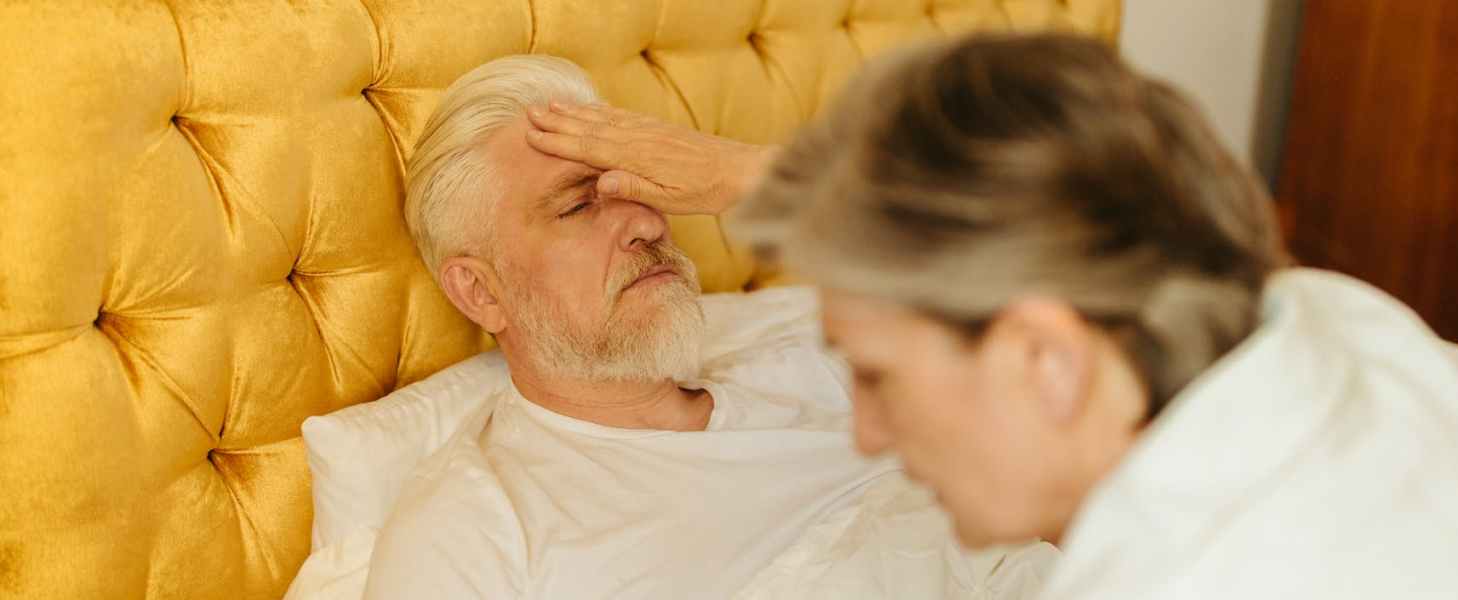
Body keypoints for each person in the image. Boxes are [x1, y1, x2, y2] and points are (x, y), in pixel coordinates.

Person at [525, 32, 1458, 599]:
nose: (866, 434)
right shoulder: (1321, 322)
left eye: (879, 375)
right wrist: (758, 180)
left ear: (1045, 356)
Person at [346, 54, 1056, 600]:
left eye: (642, 184)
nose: (650, 221)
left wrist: (754, 178)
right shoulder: (472, 534)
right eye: (579, 206)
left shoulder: (822, 359)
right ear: (480, 290)